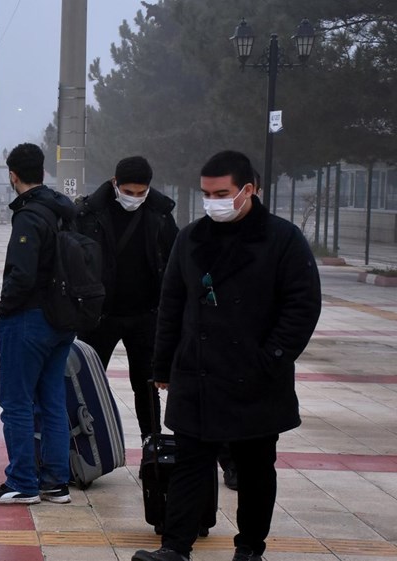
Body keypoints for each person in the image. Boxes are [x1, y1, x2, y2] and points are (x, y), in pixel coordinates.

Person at [132, 150, 322, 561]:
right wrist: (162, 365)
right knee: (190, 464)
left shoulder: (282, 239)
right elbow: (172, 305)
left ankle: (250, 548)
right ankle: (175, 547)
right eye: (207, 193)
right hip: (196, 374)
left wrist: (269, 358)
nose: (212, 201)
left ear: (248, 190)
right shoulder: (192, 237)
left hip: (255, 378)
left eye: (222, 193)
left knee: (254, 469)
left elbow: (302, 306)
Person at [0, 142, 77, 505]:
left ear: (13, 175)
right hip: (63, 319)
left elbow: (22, 275)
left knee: (17, 402)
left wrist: (5, 307)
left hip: (30, 319)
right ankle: (55, 481)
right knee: (52, 400)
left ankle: (22, 481)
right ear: (43, 171)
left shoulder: (29, 215)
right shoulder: (63, 210)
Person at [73, 156, 177, 443]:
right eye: (128, 192)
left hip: (145, 314)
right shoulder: (88, 213)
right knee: (87, 384)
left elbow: (172, 260)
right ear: (114, 183)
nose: (134, 198)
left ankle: (152, 445)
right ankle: (83, 448)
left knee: (146, 385)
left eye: (140, 192)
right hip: (100, 316)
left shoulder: (160, 214)